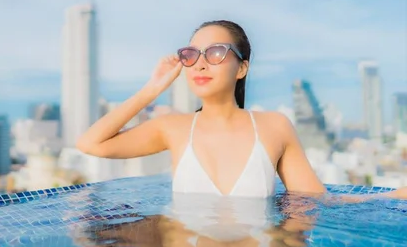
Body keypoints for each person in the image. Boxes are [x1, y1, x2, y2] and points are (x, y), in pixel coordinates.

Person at [76, 19, 407, 200]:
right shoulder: (173, 128)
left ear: (242, 68)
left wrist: (393, 196)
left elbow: (318, 202)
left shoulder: (274, 126)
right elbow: (91, 144)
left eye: (216, 52)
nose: (201, 63)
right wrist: (154, 87)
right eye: (191, 55)